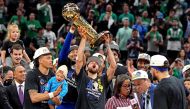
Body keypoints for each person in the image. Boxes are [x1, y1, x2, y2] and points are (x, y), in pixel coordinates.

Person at [75, 27, 117, 109]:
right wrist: (83, 38)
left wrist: (107, 44)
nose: (94, 62)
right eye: (91, 61)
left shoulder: (103, 80)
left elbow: (113, 66)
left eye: (97, 63)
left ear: (100, 68)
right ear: (86, 66)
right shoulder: (82, 78)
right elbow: (79, 60)